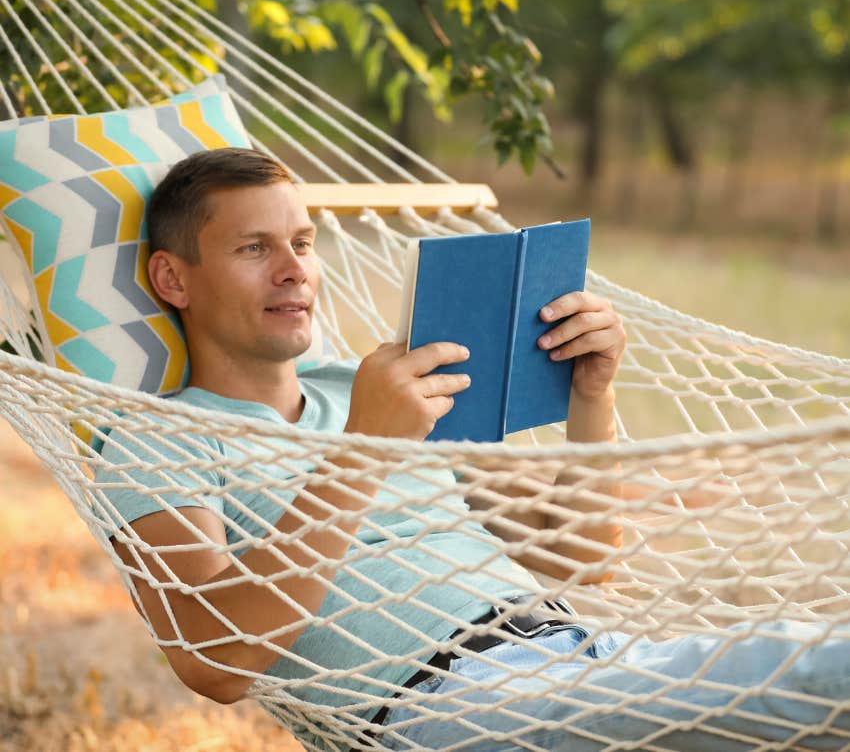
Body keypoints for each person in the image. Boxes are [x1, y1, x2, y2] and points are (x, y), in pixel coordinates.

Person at [96, 148, 850, 752]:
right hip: (453, 704)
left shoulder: (368, 387)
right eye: (254, 248)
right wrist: (364, 448)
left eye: (302, 242)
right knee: (804, 670)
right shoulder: (158, 438)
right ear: (173, 278)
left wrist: (593, 396)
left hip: (581, 654)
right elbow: (213, 659)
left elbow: (584, 559)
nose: (294, 269)